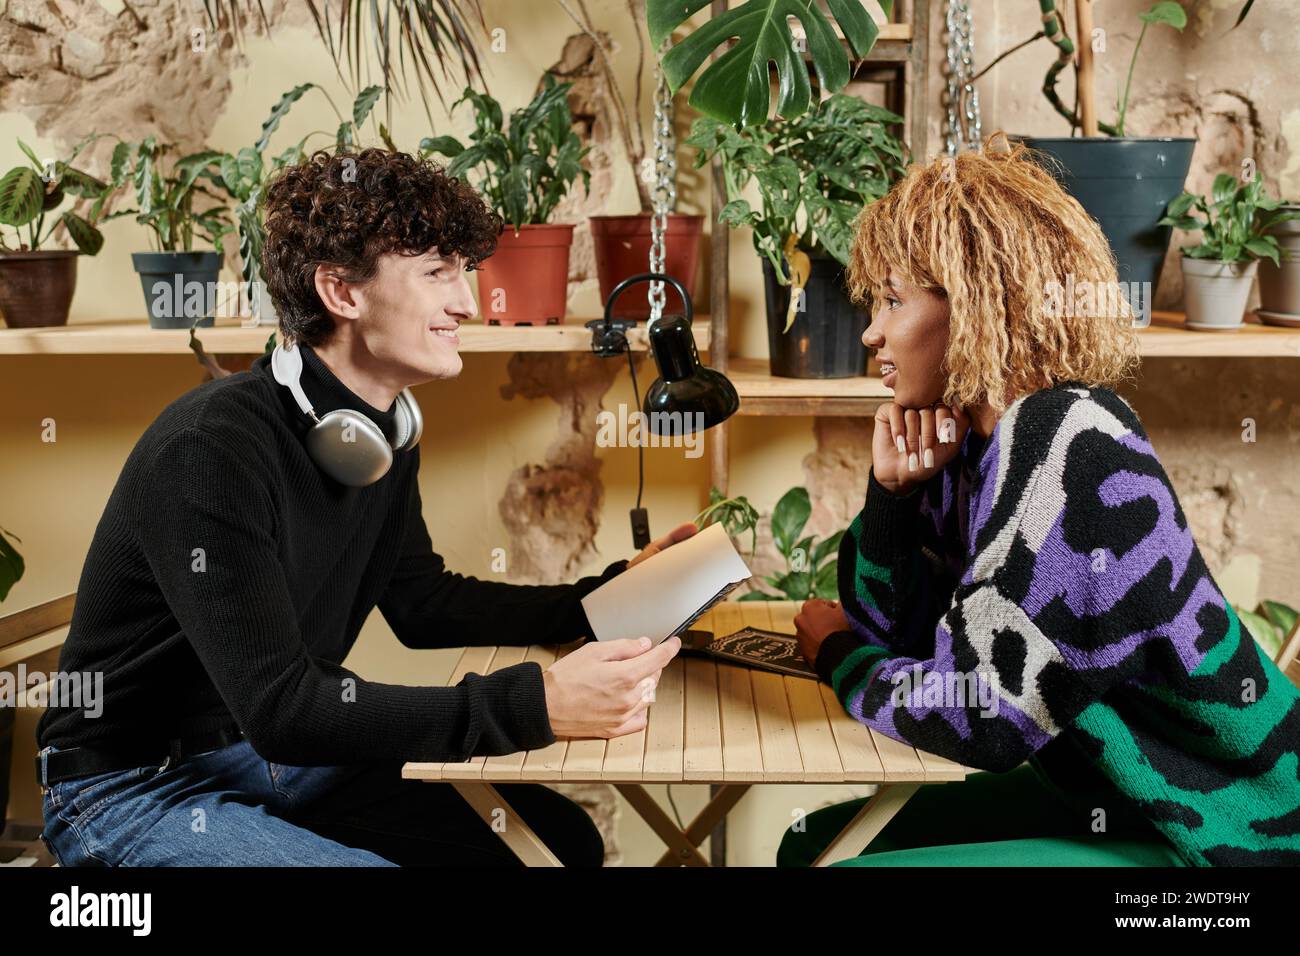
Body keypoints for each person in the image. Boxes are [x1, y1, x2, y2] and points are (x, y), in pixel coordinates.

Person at [36, 148, 689, 867]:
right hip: (133, 786)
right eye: (436, 273)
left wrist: (610, 600)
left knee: (562, 841)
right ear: (342, 292)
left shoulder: (381, 437)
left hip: (269, 756)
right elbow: (283, 708)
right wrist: (536, 703)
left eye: (463, 272)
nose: (467, 303)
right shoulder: (211, 448)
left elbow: (423, 604)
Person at [783, 134, 1300, 867]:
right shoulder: (975, 449)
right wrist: (895, 498)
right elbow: (896, 641)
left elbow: (980, 720)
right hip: (1115, 802)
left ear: (976, 304)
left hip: (1227, 842)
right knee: (806, 842)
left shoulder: (1072, 440)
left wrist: (839, 658)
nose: (871, 331)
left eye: (892, 301)